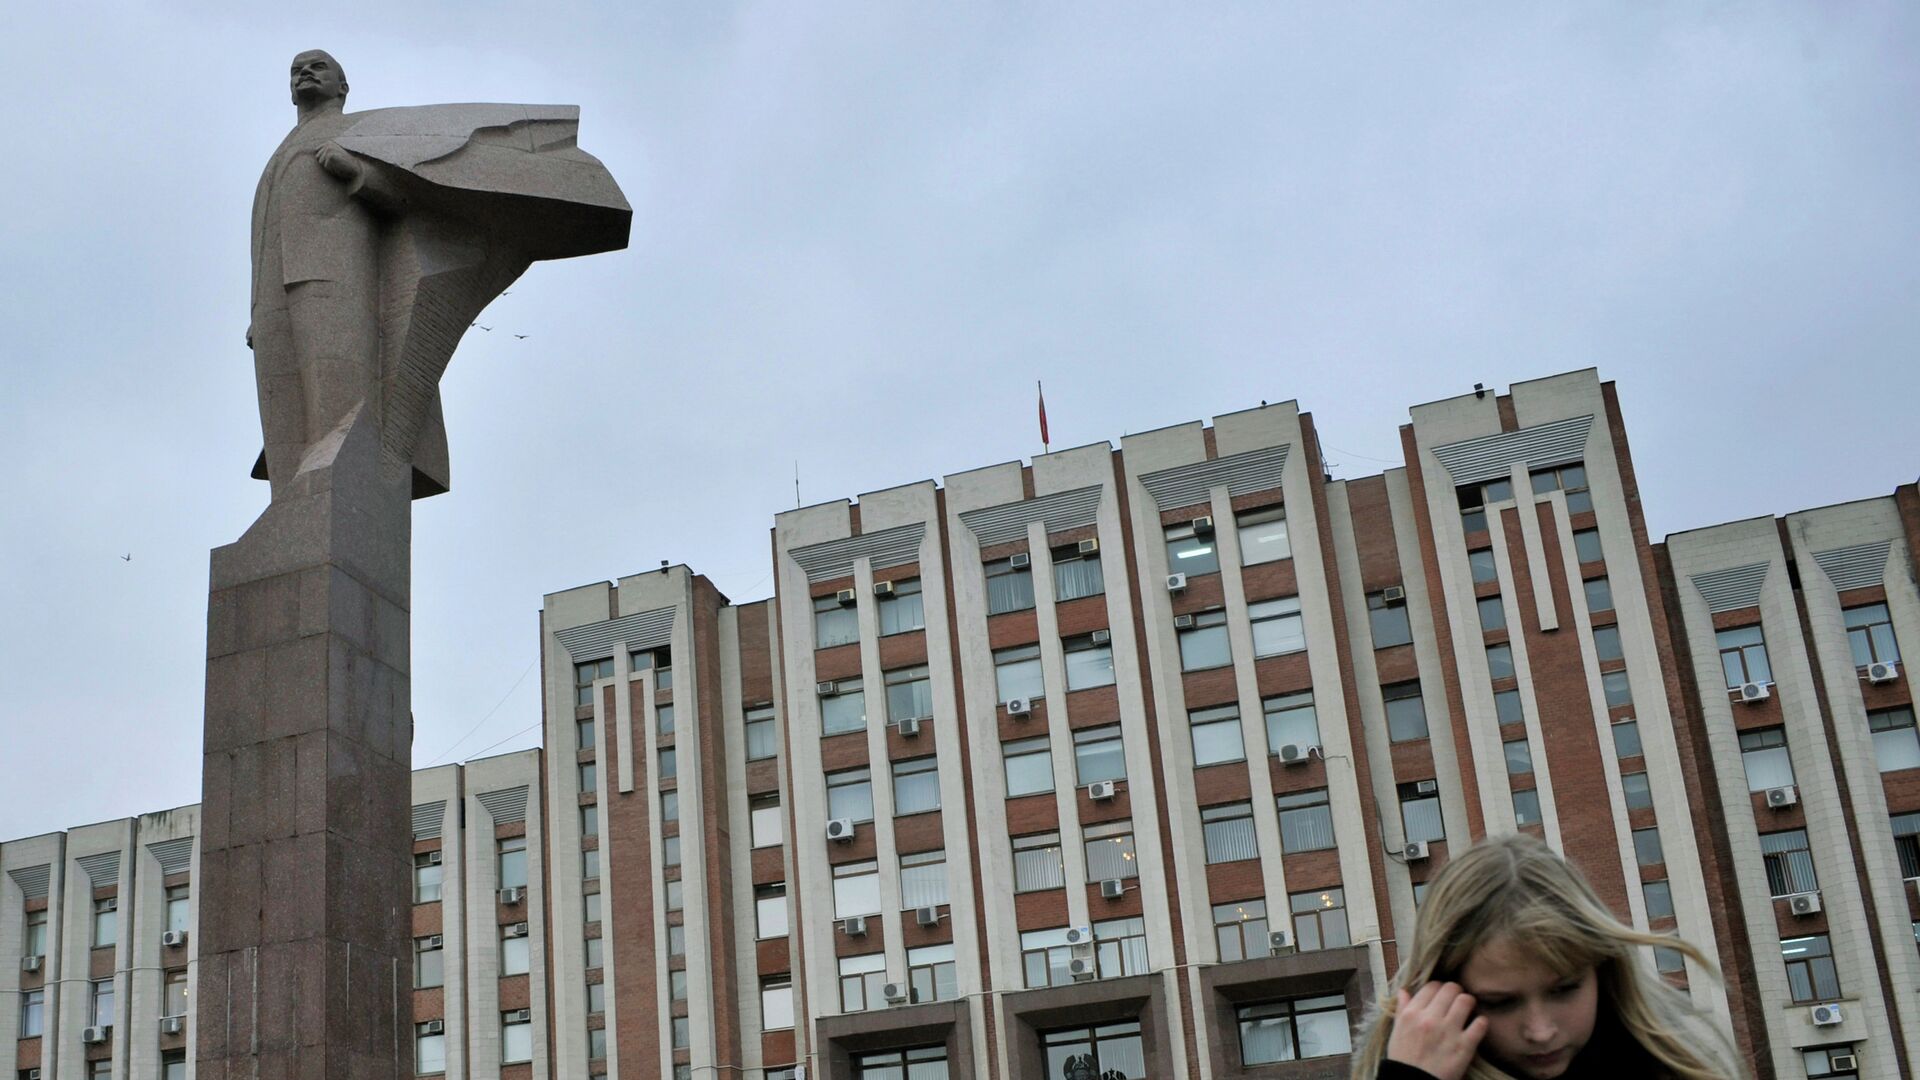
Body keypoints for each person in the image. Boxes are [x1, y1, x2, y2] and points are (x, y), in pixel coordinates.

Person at [1349, 834, 1740, 1080]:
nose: (1540, 1031)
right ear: (1440, 994)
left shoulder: (1668, 1066)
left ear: (1603, 969)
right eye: (1500, 1002)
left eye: (1564, 989)